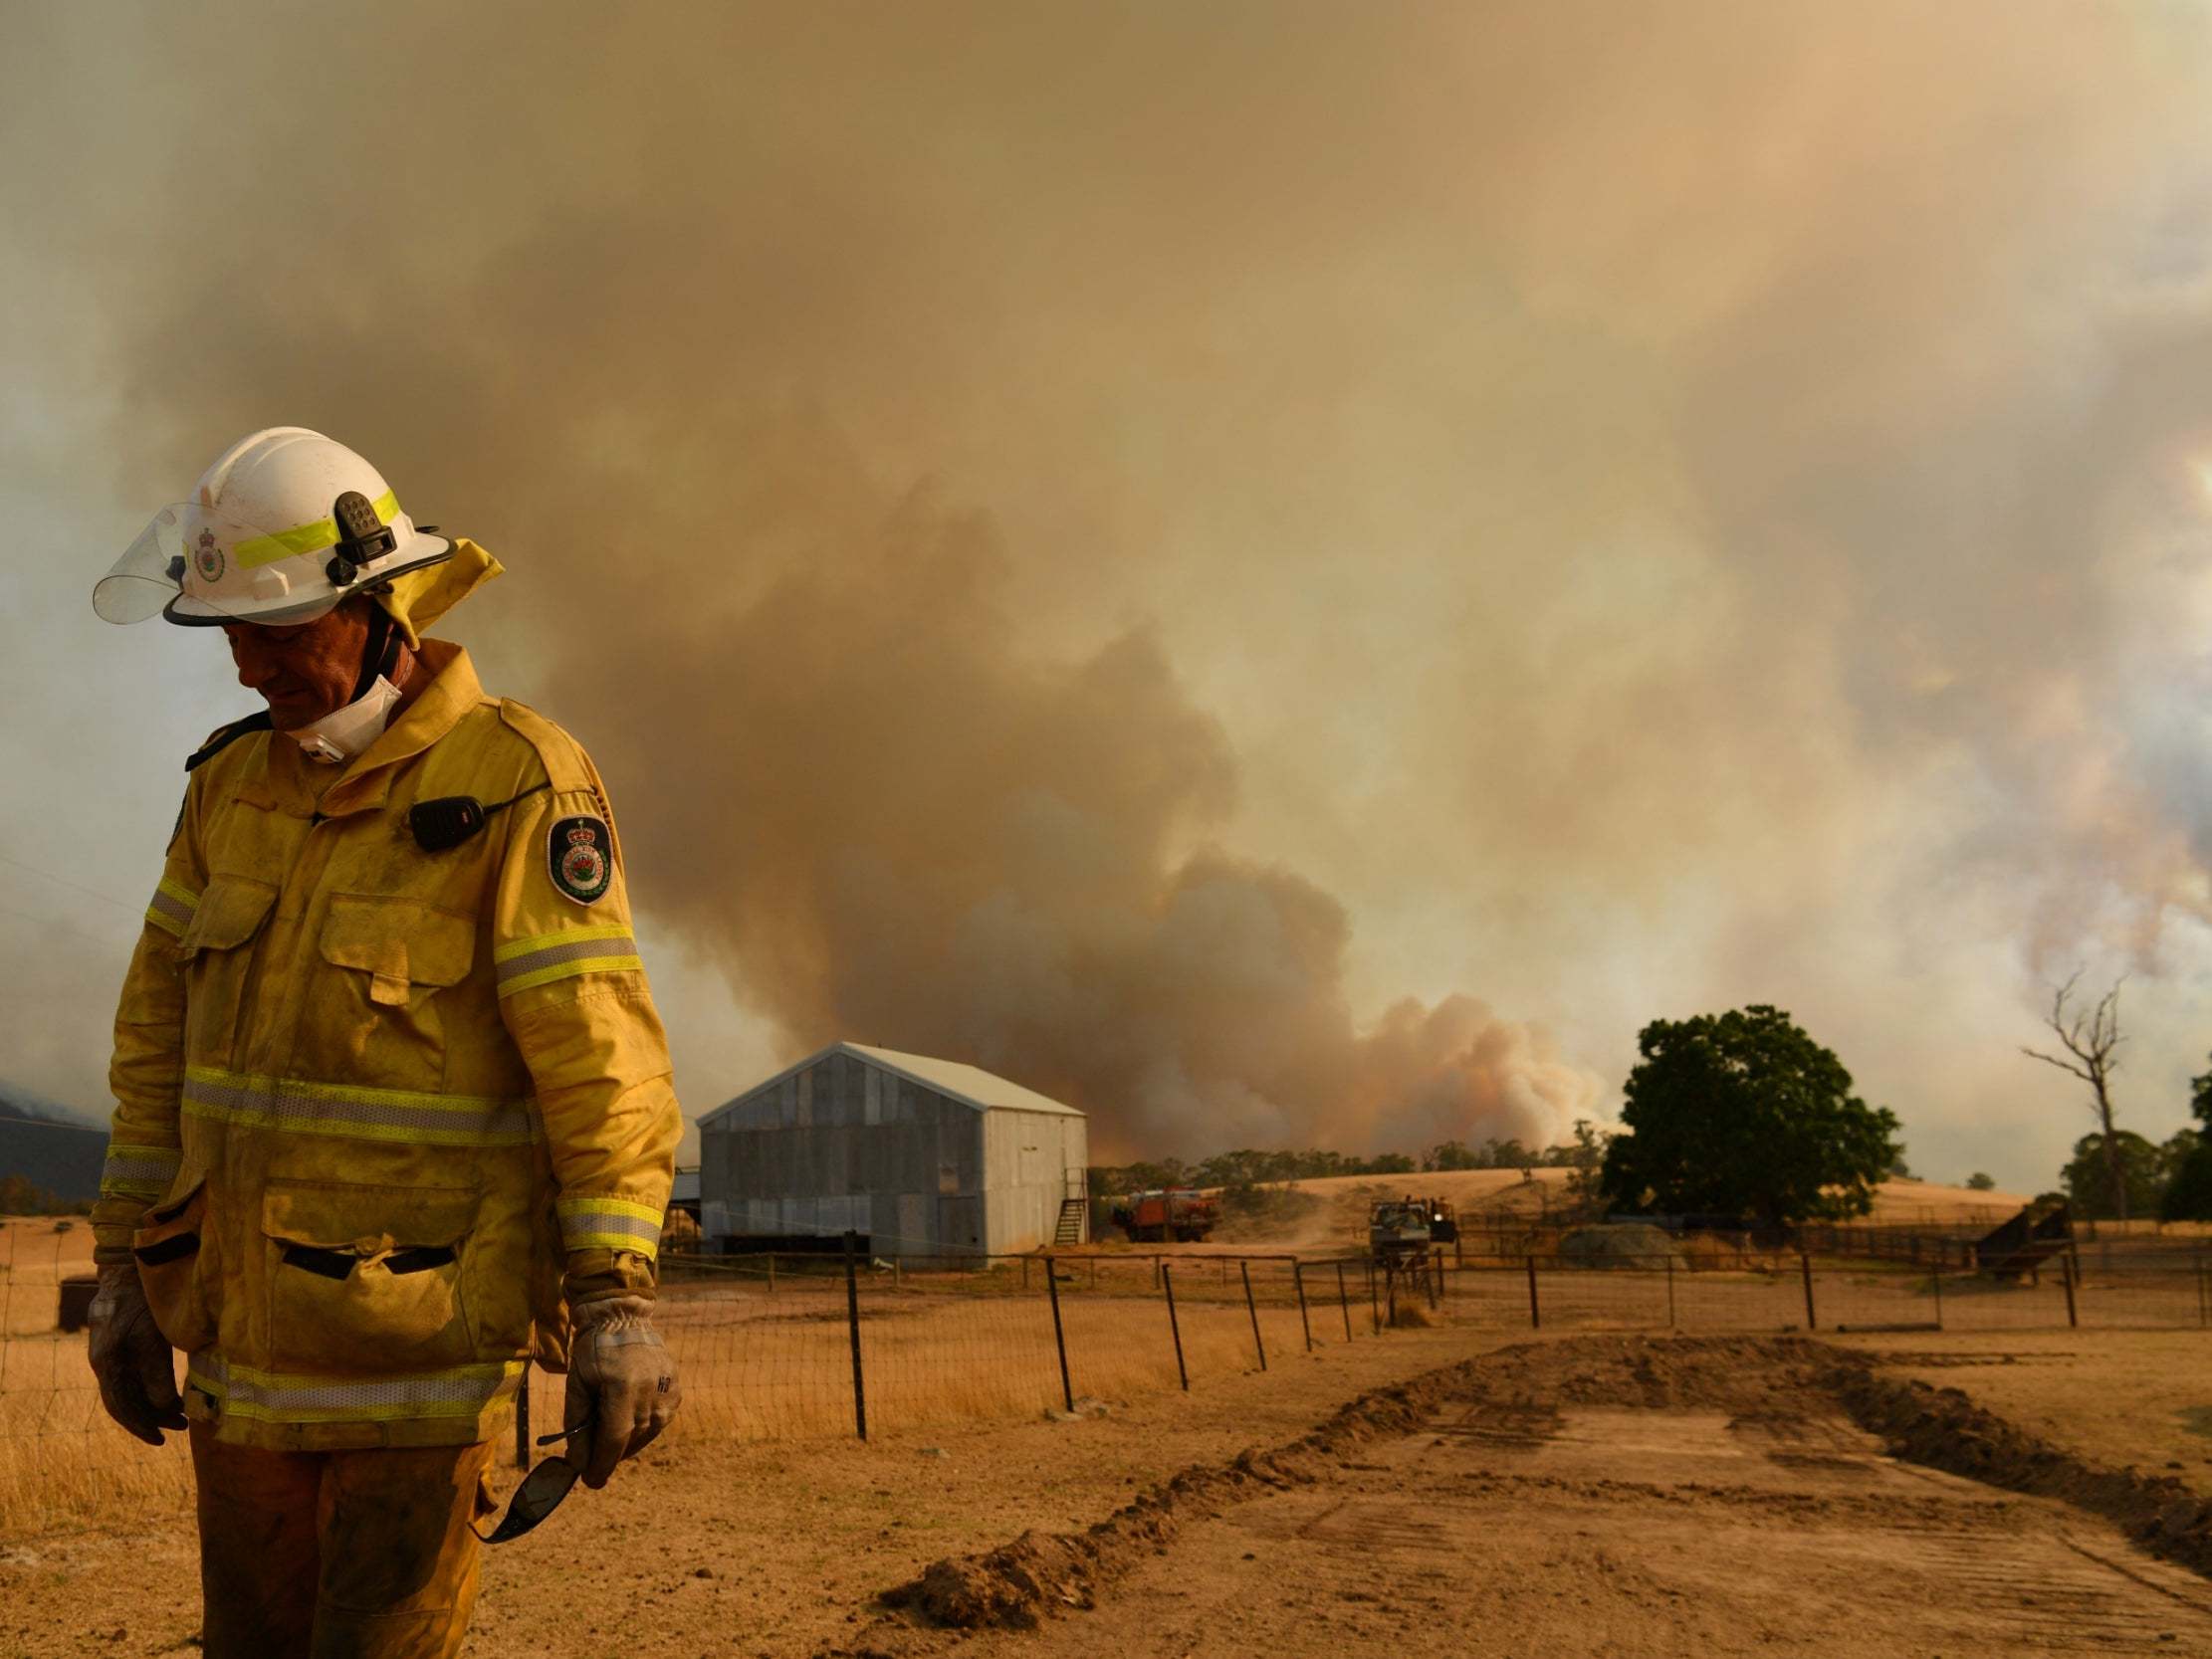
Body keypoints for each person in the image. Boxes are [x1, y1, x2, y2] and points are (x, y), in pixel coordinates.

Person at [86, 426, 683, 1658]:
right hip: (240, 1377)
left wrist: (615, 1299)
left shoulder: (517, 782)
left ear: (376, 605)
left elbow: (598, 1066)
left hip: (416, 1379)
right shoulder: (226, 789)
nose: (249, 667)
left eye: (278, 629)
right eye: (229, 634)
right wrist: (119, 1276)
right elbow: (157, 1048)